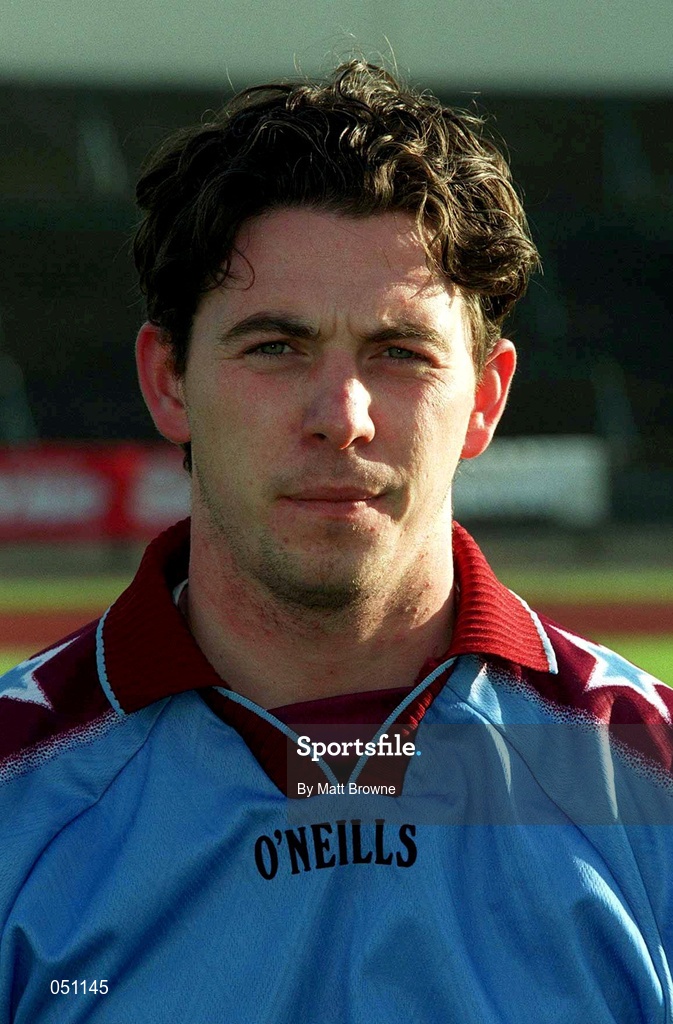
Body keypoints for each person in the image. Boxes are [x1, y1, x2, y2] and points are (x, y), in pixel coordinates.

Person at [1, 60, 672, 1024]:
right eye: (275, 347)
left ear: (484, 400)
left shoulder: (648, 775)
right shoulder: (17, 790)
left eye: (399, 353)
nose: (341, 418)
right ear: (169, 382)